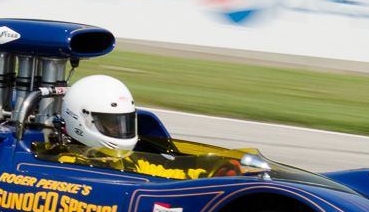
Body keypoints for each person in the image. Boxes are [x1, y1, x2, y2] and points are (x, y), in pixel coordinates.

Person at [39, 75, 240, 180]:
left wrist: (211, 171)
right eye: (111, 124)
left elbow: (162, 171)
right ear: (82, 120)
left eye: (124, 123)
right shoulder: (66, 163)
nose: (120, 131)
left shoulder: (125, 162)